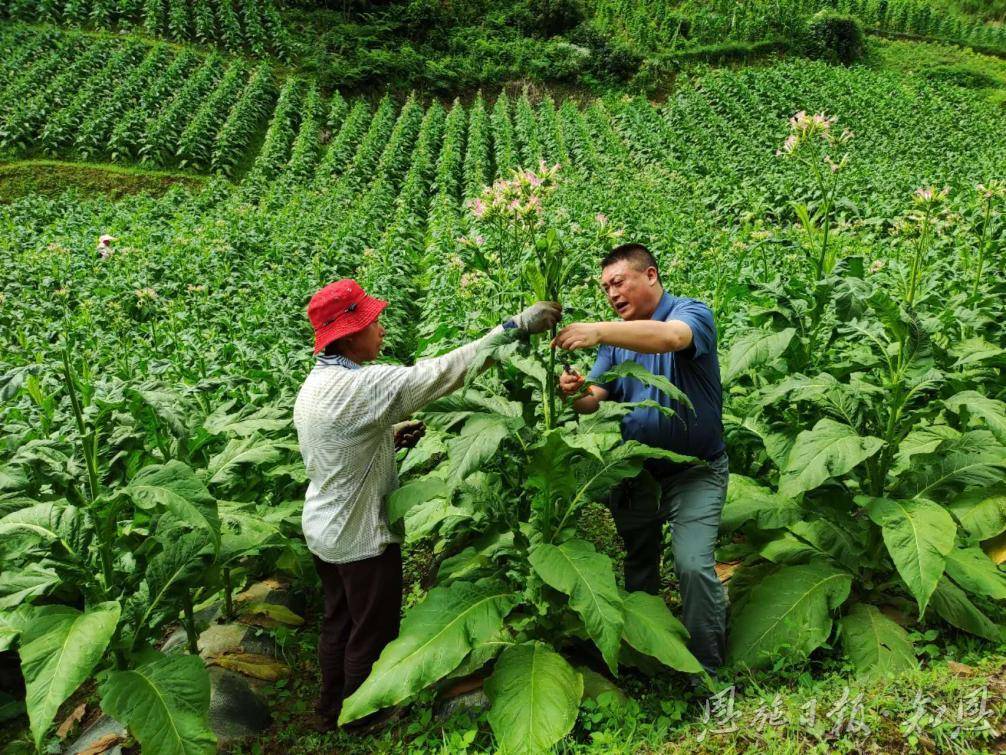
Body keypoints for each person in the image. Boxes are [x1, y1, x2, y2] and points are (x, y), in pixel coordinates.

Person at [293, 278, 561, 731]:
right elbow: (440, 373)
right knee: (371, 630)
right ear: (349, 335)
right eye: (371, 322)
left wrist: (389, 439)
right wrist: (514, 327)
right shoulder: (362, 387)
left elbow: (338, 445)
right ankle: (365, 716)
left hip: (324, 526)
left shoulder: (320, 384)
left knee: (338, 620)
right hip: (360, 535)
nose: (381, 328)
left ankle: (329, 705)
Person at [553, 243, 728, 676]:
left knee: (692, 564)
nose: (611, 294)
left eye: (618, 282)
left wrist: (599, 330)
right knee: (639, 562)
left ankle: (705, 671)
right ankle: (645, 656)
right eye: (605, 288)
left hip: (695, 472)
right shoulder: (616, 341)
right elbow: (594, 401)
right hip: (637, 473)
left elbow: (670, 338)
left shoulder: (691, 313)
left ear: (650, 275)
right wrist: (574, 391)